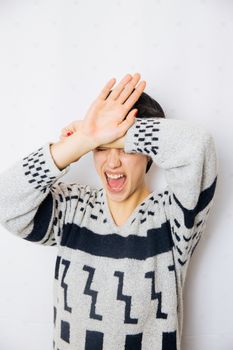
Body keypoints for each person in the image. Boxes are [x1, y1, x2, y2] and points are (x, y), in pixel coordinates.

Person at [0, 73, 218, 350]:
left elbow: (198, 145)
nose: (112, 161)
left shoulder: (173, 218)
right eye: (101, 148)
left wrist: (116, 132)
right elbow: (5, 201)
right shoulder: (72, 208)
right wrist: (79, 142)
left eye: (125, 148)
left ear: (148, 152)